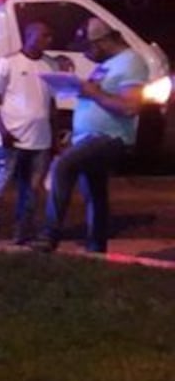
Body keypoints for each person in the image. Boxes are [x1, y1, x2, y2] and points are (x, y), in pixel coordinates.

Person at [36, 17, 147, 254]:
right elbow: (98, 94)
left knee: (64, 166)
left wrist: (93, 92)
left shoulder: (132, 62)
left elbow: (130, 107)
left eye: (91, 47)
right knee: (95, 194)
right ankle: (96, 248)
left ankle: (49, 234)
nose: (88, 53)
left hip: (110, 137)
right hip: (87, 137)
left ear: (104, 42)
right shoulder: (108, 64)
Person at [0, 22, 56, 243]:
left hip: (40, 141)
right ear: (29, 35)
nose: (49, 40)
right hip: (10, 139)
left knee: (31, 192)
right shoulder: (8, 63)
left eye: (50, 36)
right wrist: (2, 130)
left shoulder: (49, 65)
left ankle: (22, 235)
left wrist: (55, 137)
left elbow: (51, 104)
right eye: (44, 35)